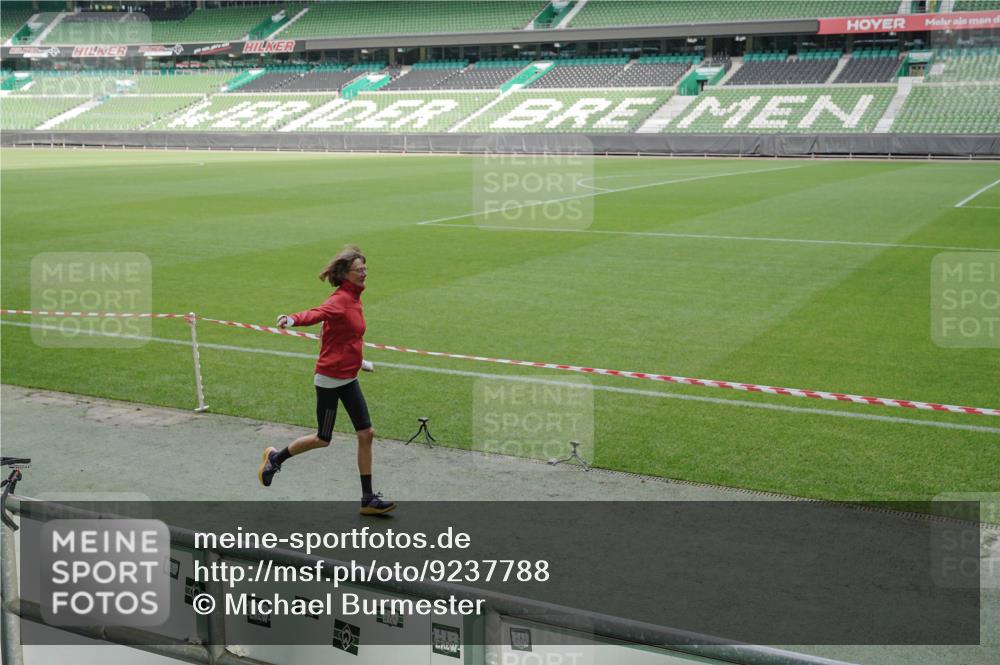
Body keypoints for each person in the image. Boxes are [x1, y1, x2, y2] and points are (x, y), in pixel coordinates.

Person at [258, 245, 395, 515]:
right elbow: (316, 314)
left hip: (348, 377)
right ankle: (275, 458)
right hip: (330, 380)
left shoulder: (355, 297)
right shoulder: (341, 299)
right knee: (323, 438)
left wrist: (359, 362)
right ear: (346, 274)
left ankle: (367, 499)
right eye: (360, 269)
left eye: (365, 267)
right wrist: (292, 319)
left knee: (366, 433)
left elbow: (347, 336)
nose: (365, 272)